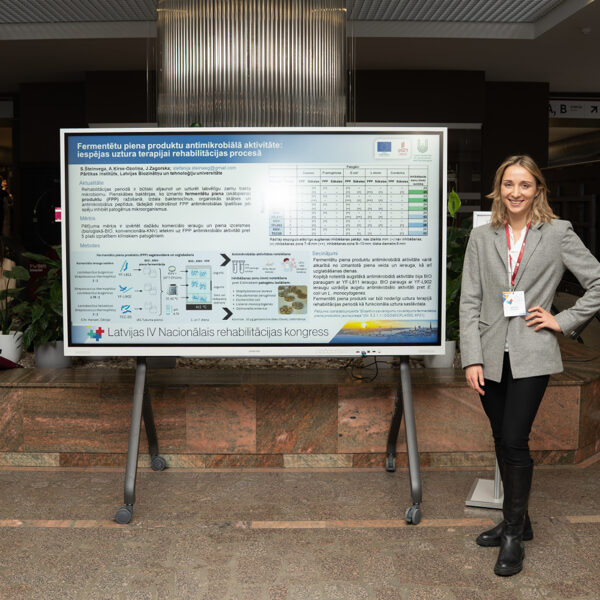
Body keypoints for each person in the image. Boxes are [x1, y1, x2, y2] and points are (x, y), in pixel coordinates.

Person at [459, 155, 600, 577]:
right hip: (489, 353)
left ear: (538, 189)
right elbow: (469, 300)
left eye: (524, 184)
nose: (516, 192)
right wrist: (471, 357)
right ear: (498, 189)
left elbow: (597, 282)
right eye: (509, 184)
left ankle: (512, 535)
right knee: (501, 437)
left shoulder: (557, 233)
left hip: (532, 351)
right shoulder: (482, 237)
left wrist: (563, 320)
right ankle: (520, 520)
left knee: (515, 439)